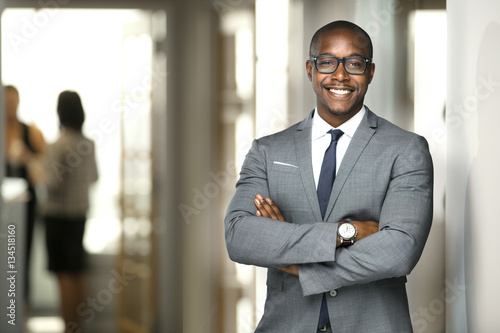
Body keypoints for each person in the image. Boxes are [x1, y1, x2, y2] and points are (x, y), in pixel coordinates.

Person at [225, 20, 433, 332]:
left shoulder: (406, 149)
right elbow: (239, 236)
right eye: (327, 63)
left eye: (353, 63)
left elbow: (399, 250)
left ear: (370, 72)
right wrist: (345, 232)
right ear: (310, 70)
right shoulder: (267, 151)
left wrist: (294, 262)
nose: (339, 75)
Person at [42, 91, 98, 332]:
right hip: (79, 215)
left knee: (63, 274)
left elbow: (51, 184)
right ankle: (80, 326)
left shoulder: (57, 146)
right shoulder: (89, 144)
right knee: (77, 271)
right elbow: (95, 177)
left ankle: (68, 327)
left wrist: (37, 170)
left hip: (58, 216)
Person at [4, 85, 46, 304]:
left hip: (25, 207)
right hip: (4, 206)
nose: (11, 107)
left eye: (14, 102)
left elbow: (46, 171)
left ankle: (21, 309)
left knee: (22, 256)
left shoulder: (32, 132)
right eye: (7, 103)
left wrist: (27, 158)